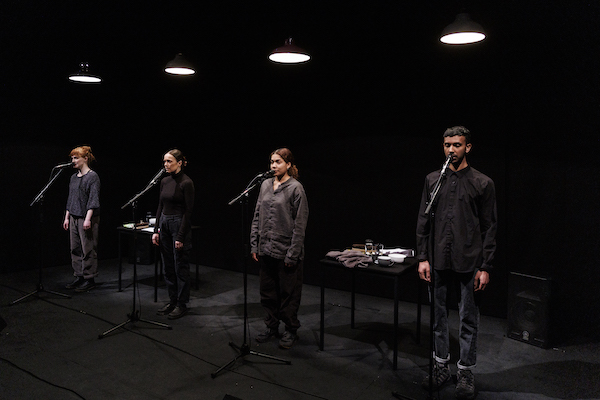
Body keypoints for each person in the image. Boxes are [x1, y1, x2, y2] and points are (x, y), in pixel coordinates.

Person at [416, 126, 497, 399]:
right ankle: (440, 366)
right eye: (447, 145)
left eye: (457, 145)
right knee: (437, 317)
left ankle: (465, 372)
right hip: (438, 258)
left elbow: (490, 227)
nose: (451, 150)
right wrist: (423, 258)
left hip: (469, 261)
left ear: (468, 147)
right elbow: (423, 221)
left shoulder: (482, 183)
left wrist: (485, 266)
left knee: (468, 318)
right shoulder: (432, 180)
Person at [250, 148, 309, 349]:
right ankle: (271, 326)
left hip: (286, 250)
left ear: (288, 164)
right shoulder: (265, 184)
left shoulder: (296, 188)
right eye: (272, 162)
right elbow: (257, 214)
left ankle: (291, 330)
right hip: (266, 248)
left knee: (288, 294)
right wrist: (254, 243)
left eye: (278, 162)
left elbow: (300, 224)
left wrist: (293, 253)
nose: (273, 165)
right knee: (268, 292)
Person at [152, 149, 195, 319]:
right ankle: (172, 300)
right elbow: (160, 206)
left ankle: (181, 304)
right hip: (164, 223)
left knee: (180, 267)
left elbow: (188, 211)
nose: (166, 164)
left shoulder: (186, 182)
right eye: (164, 161)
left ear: (180, 163)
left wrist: (180, 236)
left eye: (169, 161)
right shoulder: (164, 181)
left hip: (178, 223)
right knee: (168, 266)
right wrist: (156, 230)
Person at [63, 145, 101, 292]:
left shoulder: (92, 176)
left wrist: (87, 219)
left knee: (88, 248)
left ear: (85, 158)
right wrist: (67, 217)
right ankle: (79, 276)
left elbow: (93, 199)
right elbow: (70, 199)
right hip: (73, 216)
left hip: (87, 218)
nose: (73, 160)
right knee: (75, 248)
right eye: (72, 158)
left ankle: (89, 278)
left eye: (76, 158)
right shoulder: (73, 177)